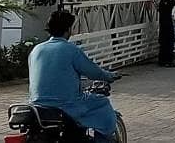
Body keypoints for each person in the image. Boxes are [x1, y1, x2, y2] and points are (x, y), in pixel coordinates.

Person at [28, 10, 120, 142]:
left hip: (37, 105)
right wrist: (110, 76)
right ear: (68, 29)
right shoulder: (71, 49)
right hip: (65, 105)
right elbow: (93, 72)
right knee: (102, 103)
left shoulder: (36, 50)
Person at [157, 0, 175, 67]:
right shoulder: (164, 1)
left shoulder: (167, 1)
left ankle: (167, 60)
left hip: (167, 24)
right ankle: (166, 61)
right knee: (166, 44)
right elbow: (168, 7)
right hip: (165, 26)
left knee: (169, 43)